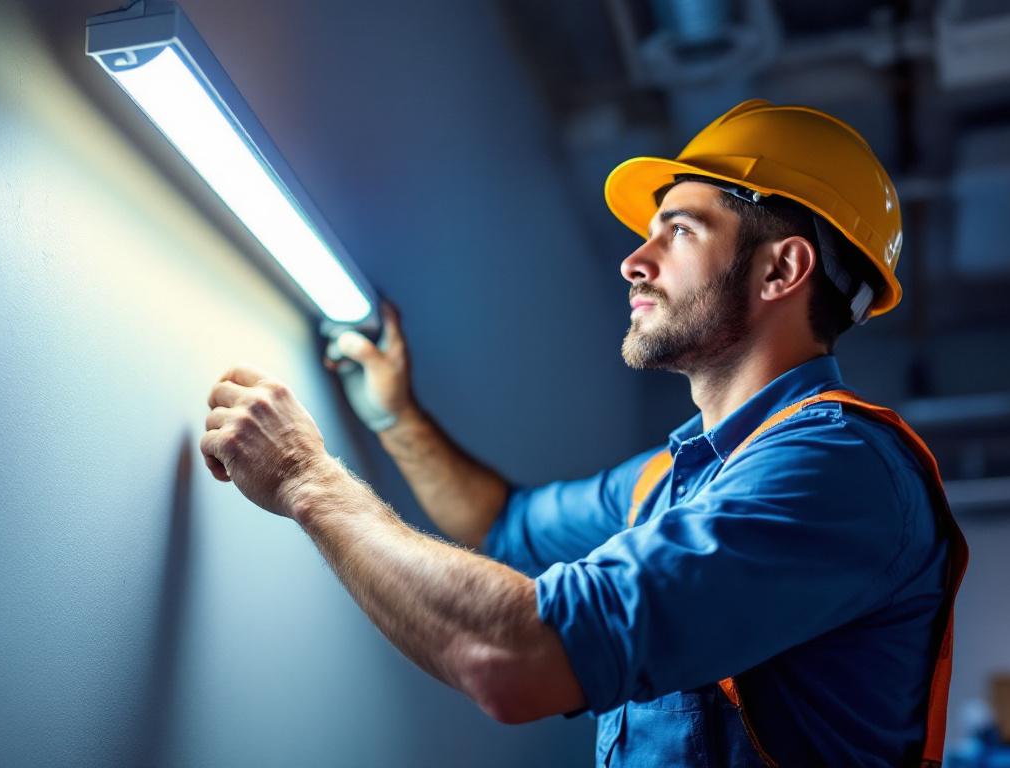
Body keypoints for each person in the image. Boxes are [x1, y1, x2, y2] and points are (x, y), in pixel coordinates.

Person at [200, 100, 967, 766]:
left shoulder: (839, 472)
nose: (635, 260)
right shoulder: (674, 481)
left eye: (680, 230)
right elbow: (500, 525)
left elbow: (516, 657)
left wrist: (306, 476)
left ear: (780, 270)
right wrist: (398, 418)